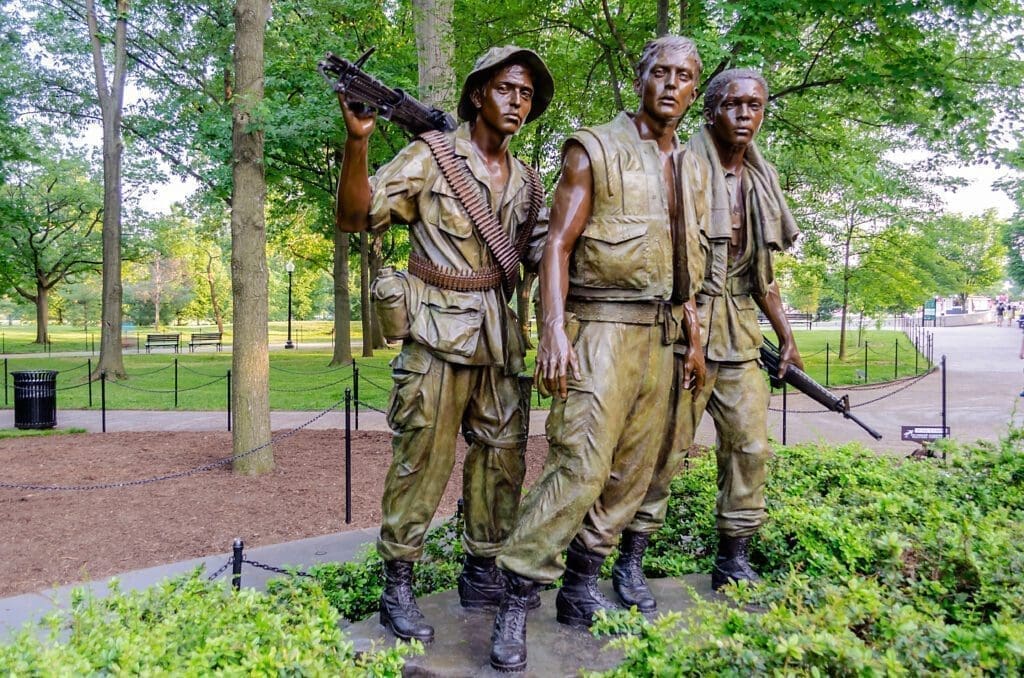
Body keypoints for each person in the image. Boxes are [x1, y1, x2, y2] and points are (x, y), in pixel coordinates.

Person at [488, 35, 708, 672]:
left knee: (632, 474)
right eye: (660, 73)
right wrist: (554, 329)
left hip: (663, 337)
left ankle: (581, 589)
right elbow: (556, 244)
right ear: (640, 78)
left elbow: (693, 266)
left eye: (684, 77)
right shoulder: (595, 148)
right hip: (602, 327)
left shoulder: (692, 165)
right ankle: (517, 597)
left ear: (694, 89)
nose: (670, 85)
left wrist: (694, 338)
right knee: (580, 466)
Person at [334, 46, 554, 644]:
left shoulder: (530, 182)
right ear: (479, 92)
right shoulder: (431, 158)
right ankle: (397, 583)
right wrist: (358, 142)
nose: (517, 101)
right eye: (507, 88)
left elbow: (547, 258)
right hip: (435, 333)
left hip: (499, 341)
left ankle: (482, 570)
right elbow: (357, 216)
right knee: (422, 461)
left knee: (502, 461)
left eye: (527, 94)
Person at [633, 68, 803, 593]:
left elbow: (760, 276)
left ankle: (733, 558)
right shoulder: (681, 167)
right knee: (664, 453)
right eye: (734, 105)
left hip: (740, 339)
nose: (745, 115)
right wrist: (691, 330)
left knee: (750, 449)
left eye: (755, 106)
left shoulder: (760, 180)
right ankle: (629, 560)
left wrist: (787, 334)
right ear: (710, 111)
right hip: (685, 335)